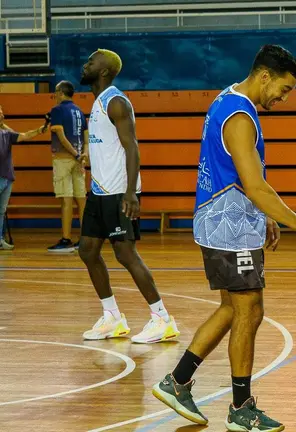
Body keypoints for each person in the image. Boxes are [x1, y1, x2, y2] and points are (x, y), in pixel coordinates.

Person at [151, 44, 296, 432]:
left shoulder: (227, 98)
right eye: (283, 88)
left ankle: (177, 381)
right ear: (264, 75)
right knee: (250, 309)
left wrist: (261, 215)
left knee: (234, 308)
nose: (283, 97)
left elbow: (241, 179)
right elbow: (256, 186)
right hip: (227, 227)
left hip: (228, 221)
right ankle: (241, 409)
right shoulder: (240, 116)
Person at [78, 49, 180, 344]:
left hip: (119, 192)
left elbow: (132, 146)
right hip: (99, 192)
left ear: (104, 71)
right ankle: (112, 317)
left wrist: (130, 193)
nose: (86, 65)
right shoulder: (98, 102)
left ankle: (162, 318)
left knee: (125, 254)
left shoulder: (116, 102)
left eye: (91, 62)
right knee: (87, 250)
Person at [47, 80, 88, 253]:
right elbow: (86, 137)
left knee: (66, 199)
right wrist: (83, 156)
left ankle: (66, 239)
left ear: (61, 93)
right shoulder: (79, 111)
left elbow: (62, 137)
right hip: (79, 161)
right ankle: (85, 239)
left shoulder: (56, 110)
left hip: (64, 159)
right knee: (81, 199)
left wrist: (76, 154)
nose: (55, 95)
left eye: (56, 92)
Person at [0, 106, 49, 250]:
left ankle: (0, 240)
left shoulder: (6, 134)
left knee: (1, 211)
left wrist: (40, 130)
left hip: (7, 177)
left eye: (2, 111)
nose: (2, 113)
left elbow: (23, 135)